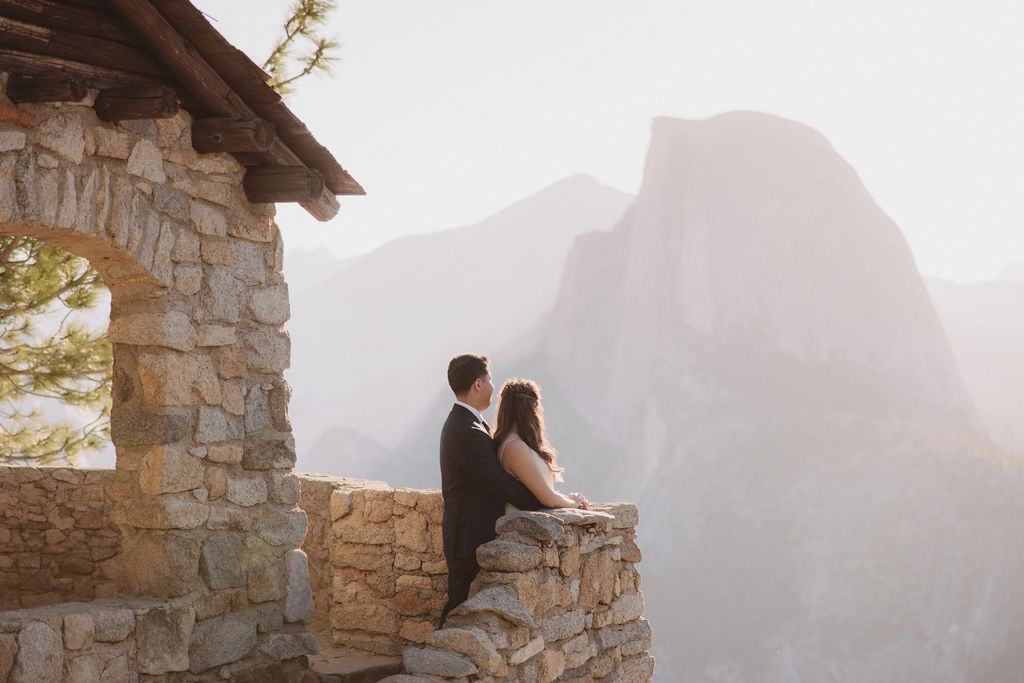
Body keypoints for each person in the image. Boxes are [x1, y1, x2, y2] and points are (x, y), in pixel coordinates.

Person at [438, 354, 542, 626]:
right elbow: (500, 482)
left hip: (469, 532)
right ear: (477, 385)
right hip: (468, 536)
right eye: (489, 380)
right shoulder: (466, 430)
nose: (493, 387)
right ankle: (435, 661)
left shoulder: (467, 423)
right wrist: (544, 500)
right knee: (459, 607)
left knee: (462, 605)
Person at [492, 379, 589, 511]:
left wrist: (567, 499)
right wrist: (575, 503)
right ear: (534, 407)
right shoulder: (515, 447)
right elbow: (548, 499)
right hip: (525, 527)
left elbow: (537, 491)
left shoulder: (511, 442)